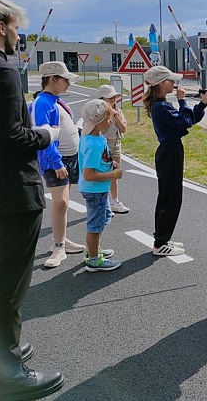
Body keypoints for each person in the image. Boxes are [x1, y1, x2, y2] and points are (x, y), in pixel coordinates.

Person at [0, 0, 64, 400]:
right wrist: (47, 135)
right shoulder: (2, 71)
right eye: (14, 27)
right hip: (14, 193)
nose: (17, 34)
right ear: (1, 28)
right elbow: (12, 137)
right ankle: (11, 373)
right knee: (11, 286)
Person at [143, 65, 207, 256]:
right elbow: (184, 121)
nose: (174, 84)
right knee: (170, 198)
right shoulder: (161, 107)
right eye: (171, 81)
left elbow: (188, 119)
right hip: (169, 153)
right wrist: (182, 101)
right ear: (162, 83)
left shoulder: (161, 105)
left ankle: (163, 238)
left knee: (168, 196)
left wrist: (202, 104)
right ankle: (160, 243)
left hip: (171, 151)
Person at [29, 60, 86, 268]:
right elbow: (43, 135)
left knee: (64, 202)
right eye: (65, 80)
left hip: (68, 158)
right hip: (57, 160)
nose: (68, 84)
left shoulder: (56, 100)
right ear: (52, 79)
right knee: (60, 202)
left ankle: (61, 240)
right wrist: (56, 162)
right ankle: (59, 245)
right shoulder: (42, 103)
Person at [78, 99, 122, 272]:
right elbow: (89, 175)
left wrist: (112, 164)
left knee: (102, 220)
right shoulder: (93, 144)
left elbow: (102, 159)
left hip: (99, 189)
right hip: (95, 190)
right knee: (95, 225)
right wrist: (113, 175)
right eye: (108, 118)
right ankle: (94, 260)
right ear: (98, 121)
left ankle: (94, 250)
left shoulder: (96, 137)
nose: (110, 121)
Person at [98, 84, 129, 214]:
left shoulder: (118, 111)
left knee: (114, 174)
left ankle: (115, 201)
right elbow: (100, 129)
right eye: (110, 98)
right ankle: (102, 203)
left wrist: (116, 116)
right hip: (102, 145)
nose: (113, 100)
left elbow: (124, 129)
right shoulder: (98, 112)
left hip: (115, 144)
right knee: (103, 173)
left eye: (114, 98)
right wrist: (109, 117)